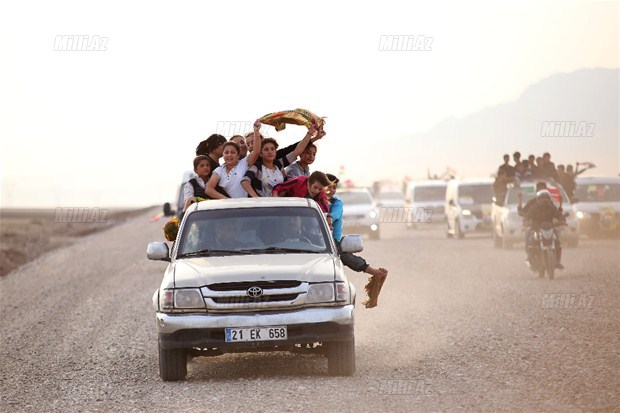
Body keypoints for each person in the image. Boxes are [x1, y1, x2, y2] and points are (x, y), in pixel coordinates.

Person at [325, 174, 388, 282]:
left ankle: (375, 272)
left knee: (344, 255)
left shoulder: (337, 202)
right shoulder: (315, 202)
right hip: (315, 240)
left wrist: (329, 218)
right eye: (328, 187)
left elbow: (335, 214)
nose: (331, 190)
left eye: (334, 187)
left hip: (332, 240)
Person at [242, 126, 315, 197]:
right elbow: (245, 181)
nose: (270, 152)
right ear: (260, 153)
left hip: (280, 204)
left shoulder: (279, 164)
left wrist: (310, 133)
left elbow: (297, 151)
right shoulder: (257, 167)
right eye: (266, 149)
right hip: (263, 205)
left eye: (272, 149)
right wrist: (256, 198)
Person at [205, 121, 262, 199]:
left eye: (233, 152)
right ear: (223, 155)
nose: (229, 155)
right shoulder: (219, 170)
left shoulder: (244, 163)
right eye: (226, 152)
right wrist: (227, 200)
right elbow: (208, 189)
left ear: (238, 155)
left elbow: (256, 152)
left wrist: (256, 131)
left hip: (245, 206)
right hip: (229, 208)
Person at [525, 189, 566, 269]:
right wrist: (526, 221)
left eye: (546, 198)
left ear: (549, 199)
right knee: (530, 242)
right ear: (538, 199)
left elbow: (558, 214)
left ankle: (557, 262)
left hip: (550, 228)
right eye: (542, 198)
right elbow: (527, 216)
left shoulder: (551, 207)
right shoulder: (533, 208)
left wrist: (562, 220)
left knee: (557, 242)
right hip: (536, 228)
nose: (544, 200)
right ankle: (530, 259)